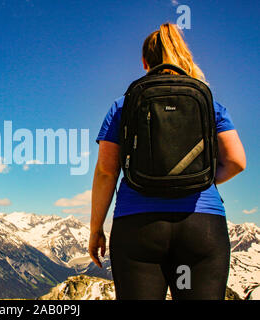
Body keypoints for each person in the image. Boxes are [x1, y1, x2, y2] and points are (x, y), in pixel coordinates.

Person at [88, 23, 246, 300]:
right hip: (202, 225)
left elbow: (106, 171)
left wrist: (95, 229)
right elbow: (236, 161)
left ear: (144, 62)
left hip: (138, 225)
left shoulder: (123, 105)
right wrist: (199, 180)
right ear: (184, 56)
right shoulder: (209, 103)